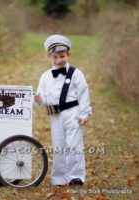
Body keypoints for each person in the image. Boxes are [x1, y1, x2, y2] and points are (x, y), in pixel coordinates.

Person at [34, 35, 92, 186]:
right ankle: (59, 178)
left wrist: (84, 113)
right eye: (55, 57)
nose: (59, 60)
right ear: (49, 56)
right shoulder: (45, 76)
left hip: (73, 113)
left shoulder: (76, 74)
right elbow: (42, 97)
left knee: (74, 144)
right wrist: (38, 99)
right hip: (55, 115)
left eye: (62, 56)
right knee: (59, 144)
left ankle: (76, 177)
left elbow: (83, 93)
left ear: (68, 55)